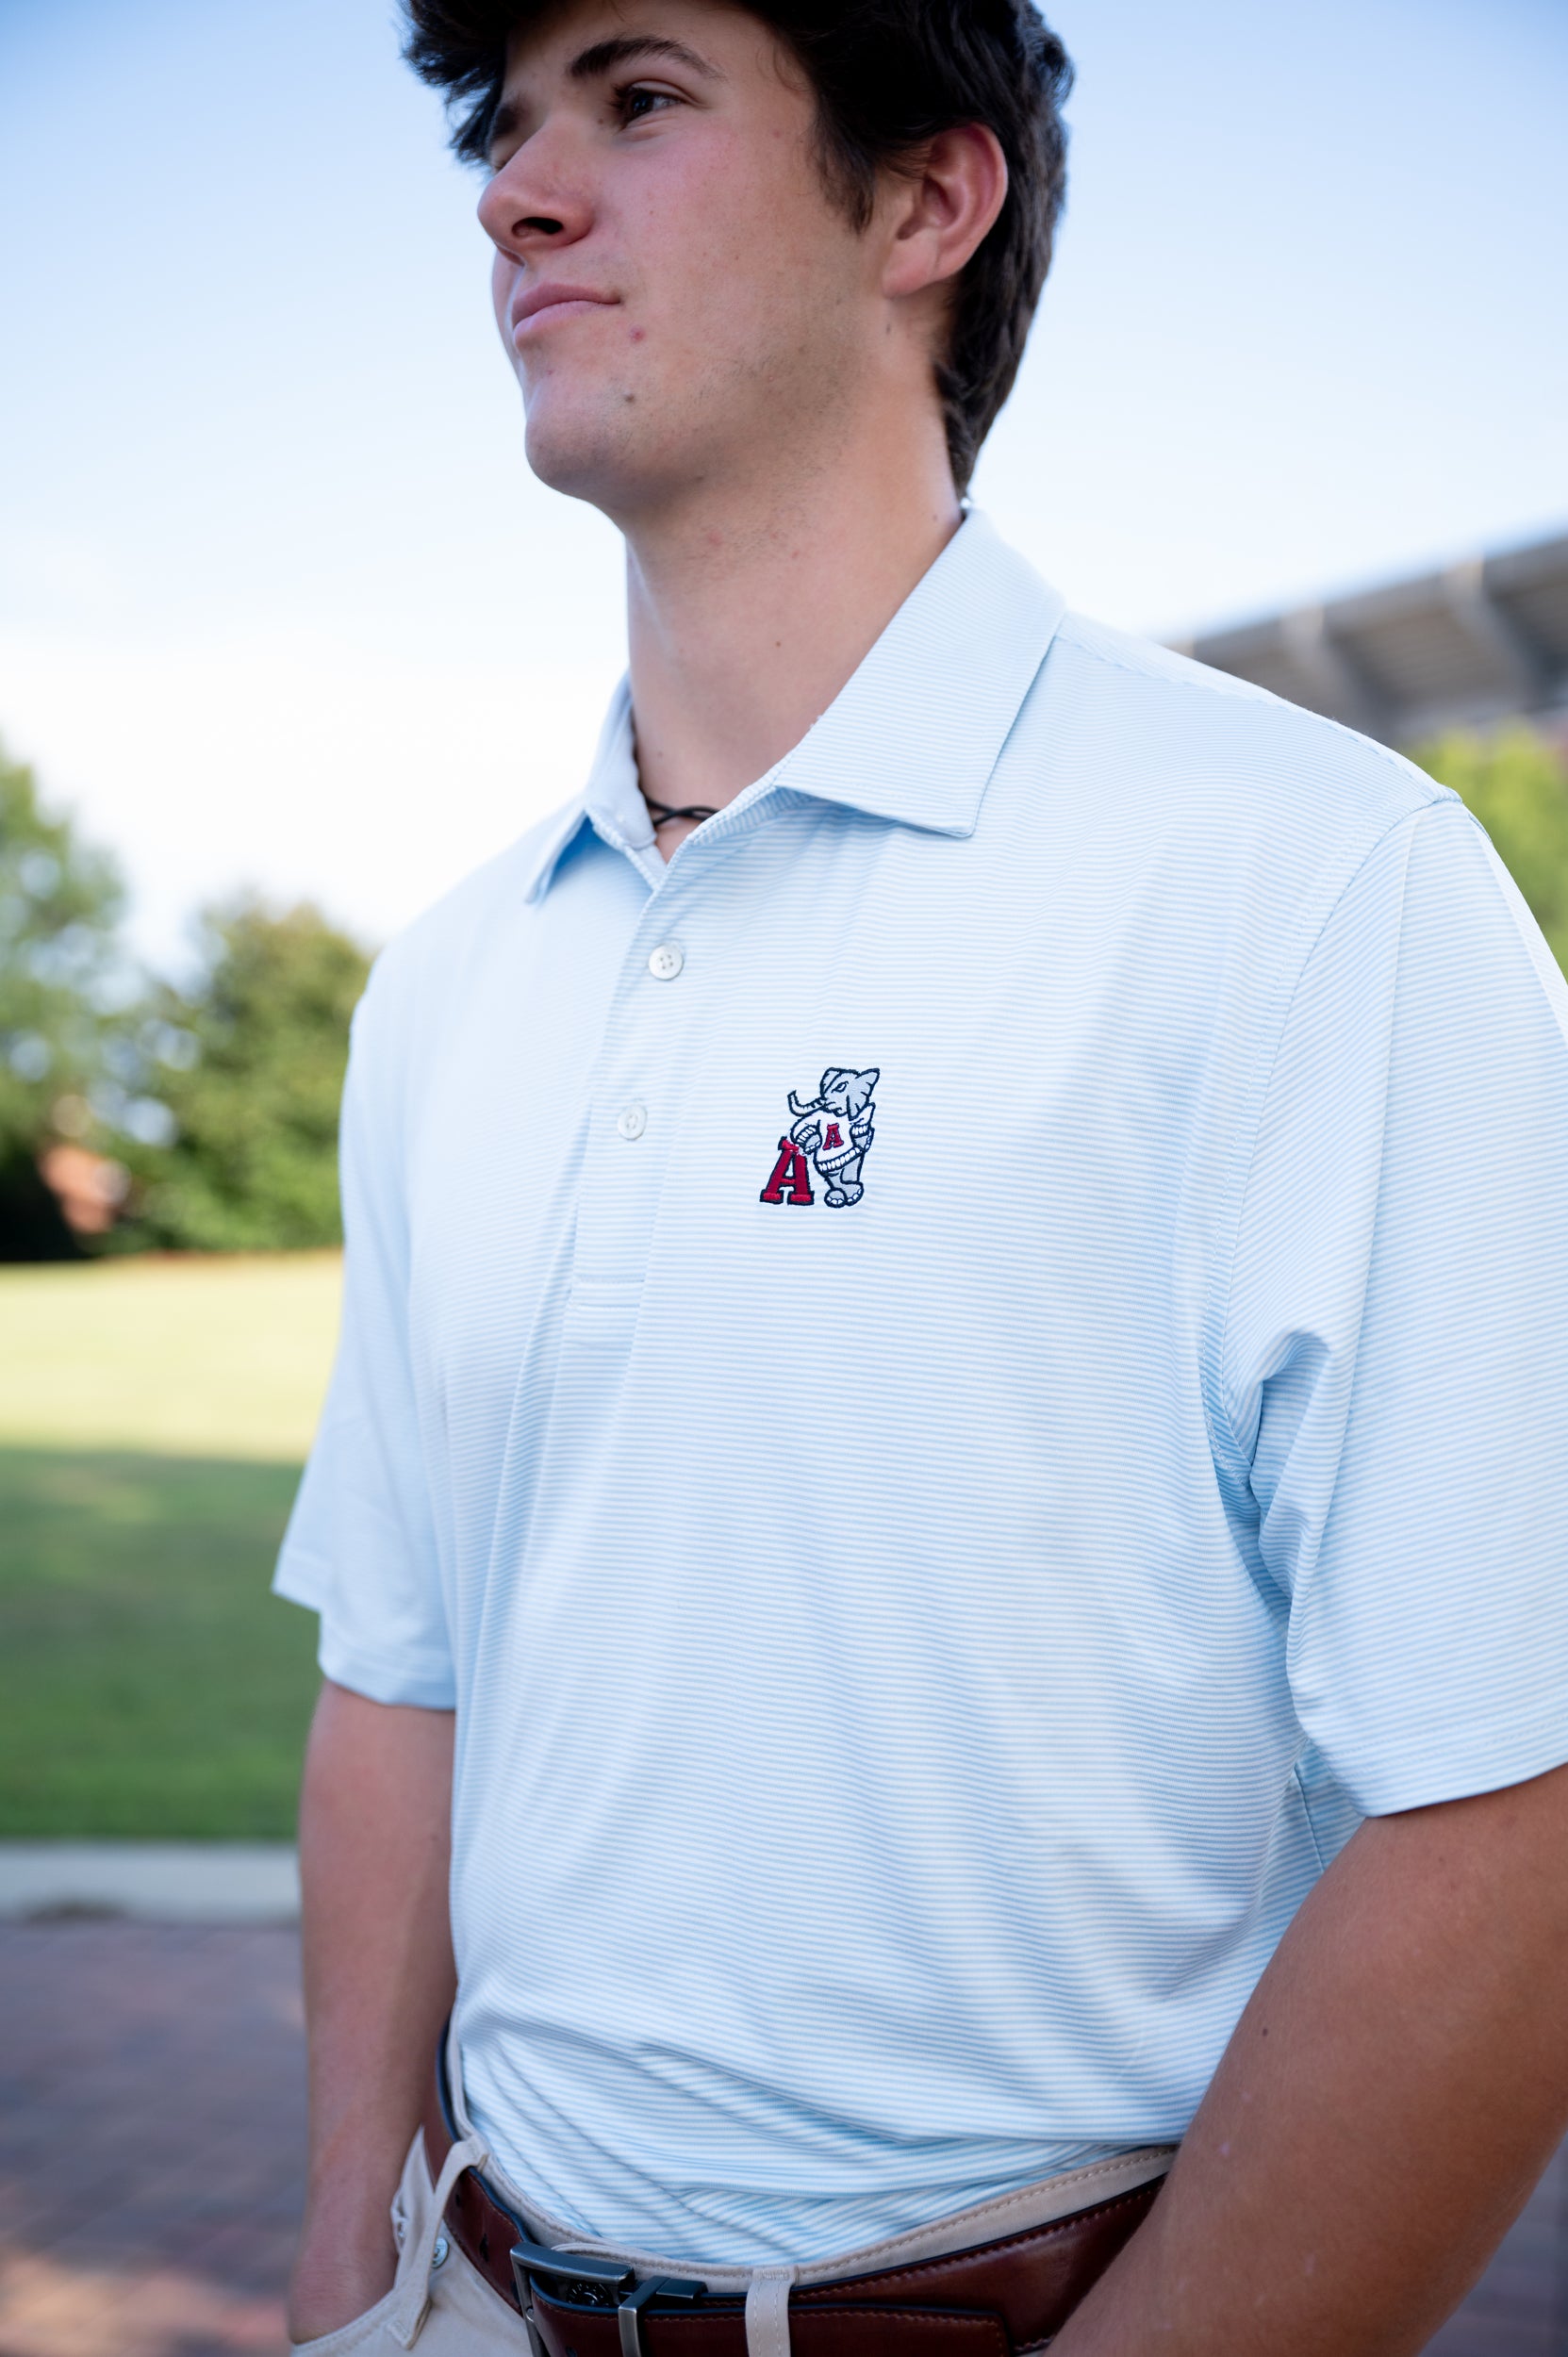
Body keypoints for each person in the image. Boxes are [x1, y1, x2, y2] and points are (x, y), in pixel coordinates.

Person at [274, 3, 1568, 2351]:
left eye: (636, 100)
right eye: (504, 126)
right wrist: (341, 2252)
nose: (512, 194)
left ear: (925, 204)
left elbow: (1516, 1793)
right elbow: (400, 1668)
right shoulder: (446, 981)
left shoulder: (1310, 881)